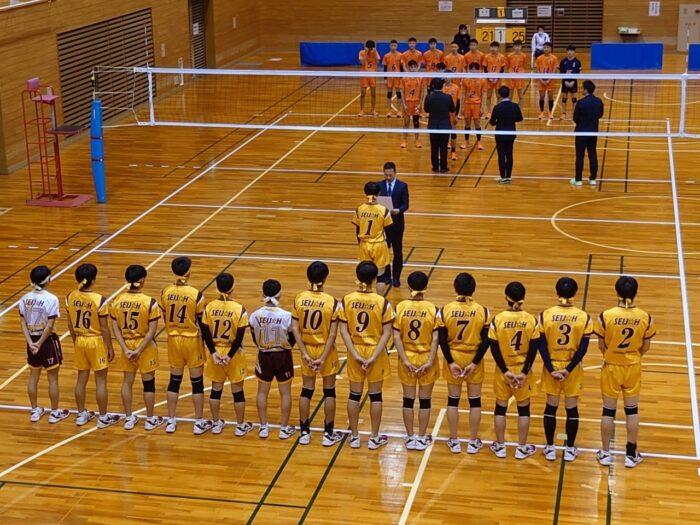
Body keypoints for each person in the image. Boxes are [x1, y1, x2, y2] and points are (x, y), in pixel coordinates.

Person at [594, 276, 656, 469]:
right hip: (633, 367)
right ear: (636, 293)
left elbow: (601, 345)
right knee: (632, 411)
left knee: (608, 411)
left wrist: (612, 356)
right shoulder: (645, 317)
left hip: (611, 367)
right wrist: (634, 356)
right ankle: (631, 454)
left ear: (617, 292)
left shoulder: (606, 316)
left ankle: (605, 453)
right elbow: (646, 346)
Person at [339, 261, 394, 450]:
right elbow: (387, 333)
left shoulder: (346, 300)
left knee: (354, 395)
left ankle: (354, 436)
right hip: (375, 353)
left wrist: (354, 354)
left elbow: (343, 331)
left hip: (355, 351)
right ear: (374, 279)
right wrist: (373, 357)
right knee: (375, 396)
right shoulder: (382, 302)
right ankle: (374, 437)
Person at [538, 277, 592, 462]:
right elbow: (583, 349)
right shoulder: (584, 317)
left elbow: (541, 345)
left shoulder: (545, 315)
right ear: (575, 293)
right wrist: (568, 369)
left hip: (552, 367)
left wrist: (551, 368)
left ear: (556, 292)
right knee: (572, 409)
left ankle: (550, 448)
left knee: (550, 407)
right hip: (572, 369)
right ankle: (569, 449)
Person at [291, 261, 343, 446]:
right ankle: (328, 434)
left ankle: (304, 432)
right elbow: (333, 335)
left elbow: (295, 329)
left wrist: (305, 354)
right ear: (325, 278)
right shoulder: (332, 302)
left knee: (306, 390)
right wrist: (322, 358)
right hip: (325, 351)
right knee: (329, 391)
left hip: (307, 348)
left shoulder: (299, 298)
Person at [438, 273, 490, 454]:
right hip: (473, 357)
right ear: (473, 289)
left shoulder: (445, 310)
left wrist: (451, 362)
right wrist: (474, 363)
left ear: (455, 288)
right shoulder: (483, 311)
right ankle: (473, 441)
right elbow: (486, 341)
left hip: (454, 356)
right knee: (475, 401)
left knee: (453, 400)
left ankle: (454, 440)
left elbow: (442, 340)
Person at [488, 282, 540, 459]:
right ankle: (522, 448)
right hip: (523, 372)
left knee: (500, 409)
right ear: (523, 298)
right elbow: (534, 349)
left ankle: (500, 446)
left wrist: (505, 371)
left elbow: (494, 348)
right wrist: (524, 372)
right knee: (524, 410)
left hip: (504, 372)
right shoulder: (531, 320)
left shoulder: (498, 320)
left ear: (506, 297)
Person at [160, 256, 210, 435]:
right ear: (189, 272)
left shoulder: (165, 292)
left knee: (174, 381)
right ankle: (198, 422)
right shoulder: (196, 295)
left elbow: (164, 315)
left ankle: (171, 420)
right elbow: (202, 322)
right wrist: (209, 346)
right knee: (197, 383)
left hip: (173, 340)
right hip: (191, 340)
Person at [111, 265, 164, 431]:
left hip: (127, 345)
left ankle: (128, 418)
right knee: (148, 383)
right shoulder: (150, 302)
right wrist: (139, 350)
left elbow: (115, 329)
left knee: (127, 381)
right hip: (145, 347)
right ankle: (150, 419)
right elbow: (151, 331)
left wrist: (125, 348)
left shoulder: (117, 301)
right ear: (141, 281)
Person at [66, 264, 119, 429]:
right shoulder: (99, 300)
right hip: (95, 341)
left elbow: (70, 324)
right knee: (100, 381)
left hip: (80, 340)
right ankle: (103, 417)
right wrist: (110, 347)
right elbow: (104, 328)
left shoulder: (70, 297)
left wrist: (76, 341)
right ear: (93, 279)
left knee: (81, 379)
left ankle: (81, 414)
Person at [200, 272, 251, 436]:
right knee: (238, 392)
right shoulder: (240, 309)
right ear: (233, 288)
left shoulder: (209, 307)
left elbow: (205, 333)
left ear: (216, 288)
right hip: (233, 354)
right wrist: (229, 356)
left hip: (216, 352)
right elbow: (239, 338)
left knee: (216, 390)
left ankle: (216, 424)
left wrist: (213, 353)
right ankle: (240, 425)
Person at [394, 271, 440, 451]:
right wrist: (429, 361)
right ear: (426, 287)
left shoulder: (400, 307)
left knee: (408, 400)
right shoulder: (433, 309)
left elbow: (396, 337)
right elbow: (435, 339)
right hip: (427, 358)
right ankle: (421, 437)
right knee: (425, 400)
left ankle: (410, 436)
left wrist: (405, 361)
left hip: (407, 358)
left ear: (408, 287)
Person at [19, 266, 69, 424]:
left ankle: (34, 410)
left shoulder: (24, 298)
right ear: (48, 280)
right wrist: (39, 343)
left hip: (31, 341)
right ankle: (54, 413)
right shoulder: (51, 299)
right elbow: (49, 325)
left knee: (33, 377)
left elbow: (22, 323)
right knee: (52, 379)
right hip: (47, 342)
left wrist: (31, 343)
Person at [249, 279, 297, 440]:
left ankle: (263, 427)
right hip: (282, 355)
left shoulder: (255, 315)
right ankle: (284, 428)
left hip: (264, 355)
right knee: (285, 393)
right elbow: (292, 338)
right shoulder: (287, 316)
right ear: (279, 294)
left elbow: (254, 337)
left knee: (262, 391)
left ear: (263, 294)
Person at [352, 181, 393, 295]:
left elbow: (357, 229)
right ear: (379, 193)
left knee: (364, 274)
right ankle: (379, 300)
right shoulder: (383, 210)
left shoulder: (359, 209)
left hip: (364, 245)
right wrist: (388, 244)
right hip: (379, 245)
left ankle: (364, 297)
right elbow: (388, 229)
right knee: (381, 276)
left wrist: (360, 243)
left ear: (365, 193)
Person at [377, 161, 409, 287]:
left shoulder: (402, 186)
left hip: (397, 224)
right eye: (386, 175)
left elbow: (405, 204)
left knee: (397, 251)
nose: (388, 177)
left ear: (395, 173)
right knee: (384, 251)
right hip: (383, 225)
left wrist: (399, 210)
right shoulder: (379, 185)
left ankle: (396, 276)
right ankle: (386, 276)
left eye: (390, 175)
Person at [572, 80, 604, 187]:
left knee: (580, 156)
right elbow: (600, 115)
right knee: (592, 154)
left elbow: (575, 118)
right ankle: (593, 179)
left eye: (583, 88)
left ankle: (578, 180)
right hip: (593, 132)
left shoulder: (580, 103)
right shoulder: (599, 101)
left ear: (586, 90)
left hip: (581, 133)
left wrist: (582, 122)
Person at [489, 85, 523, 184]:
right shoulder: (514, 106)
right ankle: (508, 177)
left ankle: (503, 177)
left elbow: (492, 122)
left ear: (499, 95)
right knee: (509, 155)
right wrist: (511, 120)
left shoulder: (497, 107)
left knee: (501, 155)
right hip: (511, 133)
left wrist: (498, 121)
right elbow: (520, 118)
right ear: (509, 94)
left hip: (500, 134)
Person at [424, 78, 455, 174]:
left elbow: (426, 110)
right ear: (442, 86)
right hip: (445, 125)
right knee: (443, 147)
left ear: (433, 86)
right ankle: (443, 167)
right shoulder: (448, 97)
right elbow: (452, 109)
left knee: (434, 147)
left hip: (433, 125)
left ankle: (435, 167)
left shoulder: (429, 97)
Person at [460, 61, 486, 150]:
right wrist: (462, 107)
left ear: (479, 70)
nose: (473, 71)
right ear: (469, 70)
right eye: (472, 69)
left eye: (475, 69)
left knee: (477, 123)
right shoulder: (465, 80)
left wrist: (482, 107)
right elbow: (463, 94)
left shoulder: (482, 80)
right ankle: (466, 141)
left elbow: (484, 94)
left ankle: (479, 142)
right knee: (467, 123)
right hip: (467, 104)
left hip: (477, 104)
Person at [399, 60, 424, 149]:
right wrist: (404, 104)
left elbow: (422, 92)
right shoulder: (404, 78)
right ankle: (404, 140)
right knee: (406, 122)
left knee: (416, 122)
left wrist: (420, 104)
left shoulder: (420, 78)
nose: (413, 68)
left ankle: (417, 140)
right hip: (407, 102)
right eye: (411, 67)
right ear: (408, 68)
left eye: (414, 67)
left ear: (417, 67)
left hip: (416, 103)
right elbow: (402, 93)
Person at [482, 41, 507, 118]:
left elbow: (502, 69)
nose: (493, 48)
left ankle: (498, 111)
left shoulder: (502, 57)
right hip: (489, 80)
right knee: (488, 96)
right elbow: (485, 68)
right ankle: (489, 112)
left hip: (497, 80)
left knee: (498, 96)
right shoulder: (487, 57)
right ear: (490, 48)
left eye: (495, 47)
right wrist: (489, 77)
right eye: (492, 47)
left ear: (498, 48)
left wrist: (497, 77)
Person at [535, 42, 558, 120]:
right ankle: (541, 112)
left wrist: (549, 79)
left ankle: (550, 112)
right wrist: (541, 79)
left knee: (550, 97)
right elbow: (537, 70)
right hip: (541, 81)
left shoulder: (554, 58)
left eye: (547, 47)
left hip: (550, 81)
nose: (546, 49)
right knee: (542, 96)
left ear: (550, 49)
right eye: (544, 47)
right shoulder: (539, 58)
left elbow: (554, 70)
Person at [442, 72, 462, 161]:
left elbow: (458, 102)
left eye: (449, 76)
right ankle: (443, 151)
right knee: (443, 133)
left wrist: (457, 115)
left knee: (453, 132)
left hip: (452, 113)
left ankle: (453, 151)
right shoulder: (441, 87)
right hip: (443, 113)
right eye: (446, 77)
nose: (447, 78)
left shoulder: (456, 88)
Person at [559, 45, 582, 119]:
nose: (569, 52)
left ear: (574, 52)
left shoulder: (577, 62)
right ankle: (564, 113)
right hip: (565, 82)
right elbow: (561, 72)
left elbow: (578, 73)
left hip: (573, 82)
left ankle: (574, 114)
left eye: (571, 51)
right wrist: (565, 81)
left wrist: (573, 81)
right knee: (564, 98)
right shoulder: (563, 61)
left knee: (574, 99)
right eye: (568, 51)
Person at [358, 40, 380, 117]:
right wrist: (366, 53)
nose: (370, 49)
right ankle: (361, 110)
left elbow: (378, 61)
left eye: (371, 48)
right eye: (369, 48)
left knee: (373, 94)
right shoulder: (361, 52)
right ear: (366, 47)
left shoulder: (375, 52)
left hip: (372, 75)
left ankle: (373, 110)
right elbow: (362, 62)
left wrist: (375, 52)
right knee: (363, 94)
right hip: (364, 75)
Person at [382, 40, 403, 118]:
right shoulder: (386, 56)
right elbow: (385, 68)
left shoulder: (400, 55)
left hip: (398, 77)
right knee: (389, 93)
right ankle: (389, 111)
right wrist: (385, 78)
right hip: (389, 77)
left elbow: (401, 68)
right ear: (389, 46)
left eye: (394, 45)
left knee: (399, 94)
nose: (393, 47)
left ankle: (399, 111)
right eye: (392, 45)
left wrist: (401, 77)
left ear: (397, 46)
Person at [507, 40, 528, 107]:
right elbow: (508, 66)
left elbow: (524, 65)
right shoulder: (509, 56)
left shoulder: (524, 56)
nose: (517, 48)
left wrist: (520, 72)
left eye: (518, 46)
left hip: (520, 77)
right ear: (513, 47)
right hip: (511, 77)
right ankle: (509, 110)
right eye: (516, 46)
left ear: (521, 47)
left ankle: (520, 110)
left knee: (520, 96)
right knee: (510, 96)